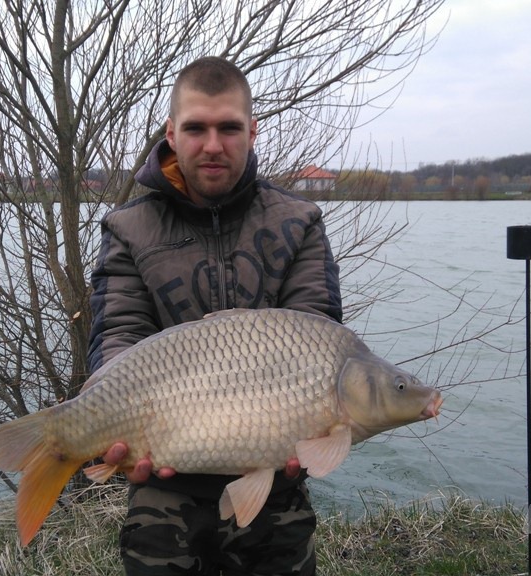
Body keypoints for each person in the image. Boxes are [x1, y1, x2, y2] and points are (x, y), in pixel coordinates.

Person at [87, 56, 342, 576]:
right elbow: (121, 332)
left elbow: (316, 335)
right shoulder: (127, 228)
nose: (212, 145)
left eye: (228, 128)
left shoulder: (300, 222)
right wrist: (107, 417)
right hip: (165, 480)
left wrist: (314, 426)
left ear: (251, 131)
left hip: (275, 480)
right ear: (171, 134)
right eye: (196, 128)